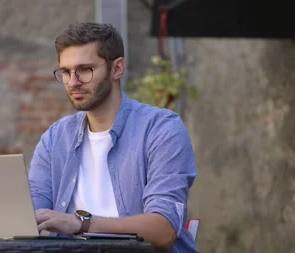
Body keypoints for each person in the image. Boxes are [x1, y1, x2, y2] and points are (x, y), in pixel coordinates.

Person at [28, 22, 198, 253]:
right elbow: (31, 214)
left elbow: (163, 229)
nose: (73, 82)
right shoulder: (56, 138)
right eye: (66, 72)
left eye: (85, 70)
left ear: (117, 68)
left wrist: (81, 224)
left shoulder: (160, 130)